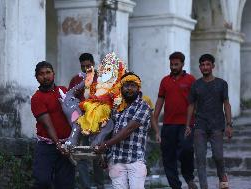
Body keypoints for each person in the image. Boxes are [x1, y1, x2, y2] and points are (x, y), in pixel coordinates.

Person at [95, 72, 153, 189]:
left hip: (135, 160)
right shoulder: (116, 107)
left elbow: (128, 130)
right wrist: (104, 155)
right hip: (116, 160)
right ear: (121, 88)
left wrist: (105, 145)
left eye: (133, 85)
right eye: (126, 86)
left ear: (138, 88)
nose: (129, 89)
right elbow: (109, 131)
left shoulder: (143, 107)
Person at [185, 54, 233, 189]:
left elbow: (226, 104)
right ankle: (204, 187)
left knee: (218, 156)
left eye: (208, 64)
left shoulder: (222, 84)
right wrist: (188, 125)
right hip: (200, 125)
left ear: (213, 66)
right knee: (200, 159)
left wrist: (229, 124)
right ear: (200, 67)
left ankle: (222, 175)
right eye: (202, 65)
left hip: (217, 125)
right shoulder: (195, 85)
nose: (205, 67)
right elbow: (191, 105)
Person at [153, 52, 197, 189]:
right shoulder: (165, 81)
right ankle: (175, 186)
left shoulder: (191, 80)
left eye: (176, 64)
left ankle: (189, 177)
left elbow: (195, 102)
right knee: (168, 157)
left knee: (186, 149)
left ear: (183, 64)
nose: (173, 67)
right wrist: (154, 120)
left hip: (186, 125)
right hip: (168, 125)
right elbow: (160, 101)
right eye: (171, 64)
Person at [31, 61, 75, 189]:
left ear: (53, 74)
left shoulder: (63, 91)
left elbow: (74, 114)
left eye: (48, 72)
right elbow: (47, 124)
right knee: (42, 181)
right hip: (47, 146)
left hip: (67, 145)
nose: (45, 76)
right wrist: (57, 144)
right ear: (37, 78)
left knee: (65, 184)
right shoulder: (37, 98)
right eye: (41, 74)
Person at [68, 53, 104, 189]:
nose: (86, 69)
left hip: (98, 122)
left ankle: (100, 185)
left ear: (93, 64)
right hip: (81, 122)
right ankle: (85, 186)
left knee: (97, 153)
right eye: (83, 66)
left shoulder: (101, 79)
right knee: (82, 154)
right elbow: (70, 98)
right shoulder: (76, 79)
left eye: (88, 66)